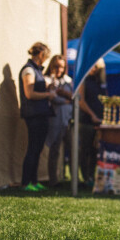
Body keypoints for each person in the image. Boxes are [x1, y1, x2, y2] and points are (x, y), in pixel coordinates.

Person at [19, 42, 56, 191]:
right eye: (46, 56)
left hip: (41, 113)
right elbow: (29, 93)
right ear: (41, 54)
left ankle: (34, 181)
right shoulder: (28, 70)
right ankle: (26, 182)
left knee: (38, 149)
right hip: (33, 114)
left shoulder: (37, 70)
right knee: (33, 148)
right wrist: (48, 94)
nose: (46, 59)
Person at [44, 55, 73, 187]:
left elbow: (75, 97)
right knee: (54, 149)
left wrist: (65, 95)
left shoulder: (68, 81)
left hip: (68, 120)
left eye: (61, 67)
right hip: (55, 120)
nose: (59, 69)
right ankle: (53, 180)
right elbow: (52, 97)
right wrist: (65, 100)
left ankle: (74, 181)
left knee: (73, 149)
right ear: (51, 65)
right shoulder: (47, 80)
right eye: (56, 66)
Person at [78, 58, 107, 186]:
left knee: (96, 150)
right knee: (85, 149)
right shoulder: (84, 80)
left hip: (99, 121)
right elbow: (81, 101)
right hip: (86, 121)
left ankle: (92, 175)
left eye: (97, 67)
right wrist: (92, 115)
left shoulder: (100, 82)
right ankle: (85, 177)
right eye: (93, 66)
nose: (94, 69)